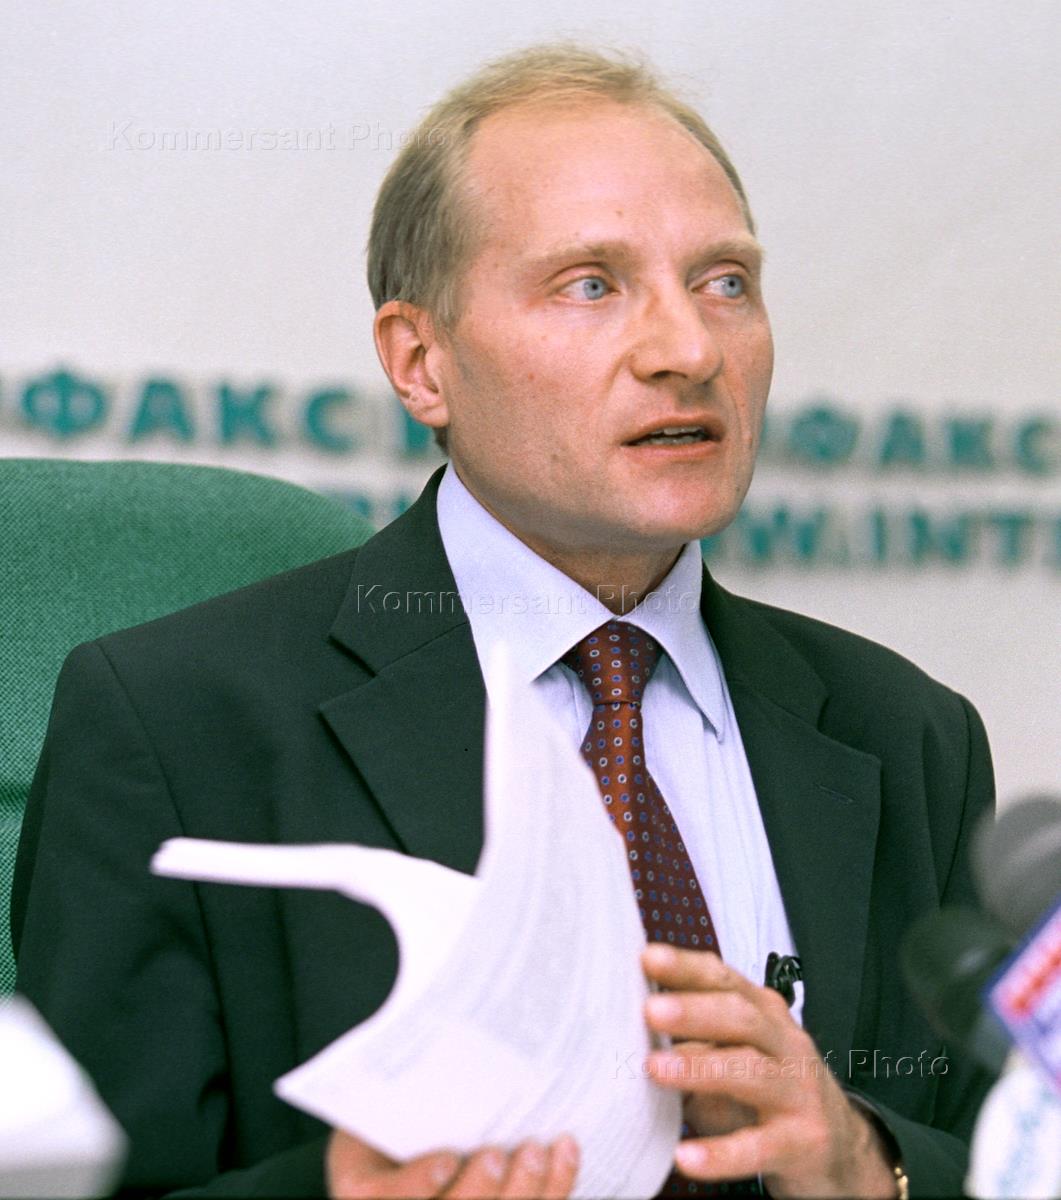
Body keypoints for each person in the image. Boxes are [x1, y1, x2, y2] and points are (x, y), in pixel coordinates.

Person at [11, 43, 996, 1198]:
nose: (688, 351)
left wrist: (869, 1162)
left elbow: (1011, 1153)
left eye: (724, 281)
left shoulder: (905, 734)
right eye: (590, 284)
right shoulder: (178, 725)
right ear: (419, 363)